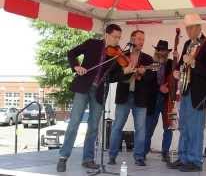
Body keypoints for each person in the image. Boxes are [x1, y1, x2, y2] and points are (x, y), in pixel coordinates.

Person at [57, 24, 125, 172]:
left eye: (119, 37)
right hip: (83, 87)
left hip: (100, 91)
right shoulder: (92, 43)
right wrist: (76, 66)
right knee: (74, 122)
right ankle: (63, 157)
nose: (117, 40)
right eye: (115, 37)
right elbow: (72, 53)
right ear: (106, 35)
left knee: (93, 126)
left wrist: (126, 71)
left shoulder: (116, 54)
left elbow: (114, 77)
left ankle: (88, 159)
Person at [168, 13, 206, 172]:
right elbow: (182, 64)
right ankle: (183, 158)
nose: (188, 31)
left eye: (191, 28)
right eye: (187, 28)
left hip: (199, 94)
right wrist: (176, 71)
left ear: (199, 27)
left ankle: (195, 161)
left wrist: (194, 63)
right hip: (186, 90)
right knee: (184, 126)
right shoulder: (188, 43)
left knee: (195, 128)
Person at [108, 30, 154, 166]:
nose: (141, 42)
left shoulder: (148, 59)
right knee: (117, 127)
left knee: (140, 128)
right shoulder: (122, 54)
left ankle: (139, 157)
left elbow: (151, 78)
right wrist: (126, 71)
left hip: (140, 98)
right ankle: (112, 155)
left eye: (143, 40)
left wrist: (143, 73)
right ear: (132, 39)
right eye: (139, 39)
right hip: (124, 96)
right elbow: (114, 75)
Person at [144, 40, 174, 162]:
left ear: (167, 52)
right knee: (149, 127)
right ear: (156, 51)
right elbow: (147, 81)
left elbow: (176, 78)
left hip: (168, 100)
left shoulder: (172, 63)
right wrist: (159, 88)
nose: (162, 53)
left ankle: (165, 152)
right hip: (153, 99)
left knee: (169, 128)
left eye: (164, 51)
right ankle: (143, 152)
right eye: (160, 50)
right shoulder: (150, 63)